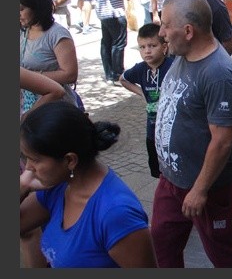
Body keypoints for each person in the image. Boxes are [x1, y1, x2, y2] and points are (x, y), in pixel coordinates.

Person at [151, 0, 232, 267]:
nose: (161, 32)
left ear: (188, 31)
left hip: (210, 186)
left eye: (166, 25)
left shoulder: (218, 74)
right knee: (162, 241)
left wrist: (200, 190)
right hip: (172, 180)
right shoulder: (182, 53)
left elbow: (223, 142)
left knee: (222, 251)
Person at [20, 101, 157, 267]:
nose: (28, 167)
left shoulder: (116, 214)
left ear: (70, 160)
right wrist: (22, 186)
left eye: (34, 159)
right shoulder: (60, 187)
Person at [119, 23, 174, 179]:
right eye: (142, 47)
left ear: (164, 47)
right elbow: (123, 79)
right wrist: (142, 93)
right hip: (152, 130)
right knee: (157, 169)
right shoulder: (141, 69)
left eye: (152, 46)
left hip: (171, 129)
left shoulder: (172, 67)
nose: (147, 51)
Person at [20, 0, 79, 114]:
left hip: (55, 110)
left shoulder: (57, 34)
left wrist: (32, 78)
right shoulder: (23, 32)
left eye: (21, 9)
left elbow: (70, 75)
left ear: (35, 6)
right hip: (29, 105)